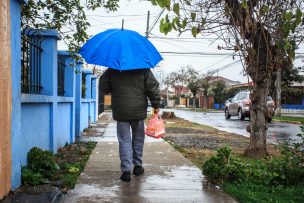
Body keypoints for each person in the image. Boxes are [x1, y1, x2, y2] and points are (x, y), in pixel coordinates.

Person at [101, 68, 160, 182]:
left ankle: (126, 171)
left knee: (124, 140)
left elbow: (104, 87)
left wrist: (114, 86)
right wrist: (156, 105)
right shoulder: (144, 69)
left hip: (121, 110)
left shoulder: (113, 69)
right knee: (138, 139)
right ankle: (137, 166)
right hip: (138, 111)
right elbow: (153, 88)